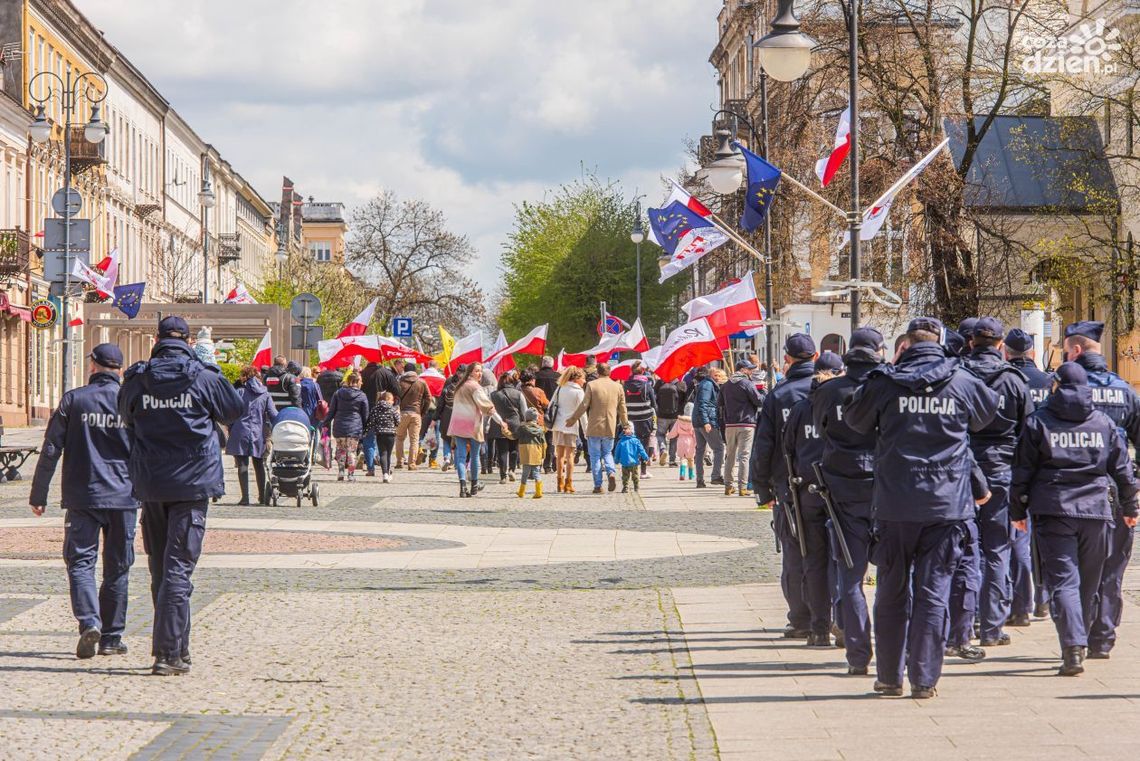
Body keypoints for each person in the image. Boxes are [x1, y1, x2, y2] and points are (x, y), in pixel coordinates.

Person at [844, 317, 999, 699]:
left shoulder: (884, 383)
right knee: (934, 592)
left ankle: (889, 677)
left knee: (891, 591)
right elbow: (986, 416)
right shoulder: (961, 380)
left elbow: (854, 421)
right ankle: (925, 679)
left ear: (906, 345)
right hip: (947, 506)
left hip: (896, 502)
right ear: (940, 342)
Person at [118, 316, 243, 676]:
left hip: (152, 482)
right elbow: (235, 410)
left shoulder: (139, 378)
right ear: (188, 341)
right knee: (178, 568)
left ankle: (176, 648)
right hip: (192, 484)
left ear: (157, 340)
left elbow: (124, 414)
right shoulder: (202, 376)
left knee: (161, 566)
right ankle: (169, 653)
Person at [1010, 362, 1139, 676]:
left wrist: (1017, 511)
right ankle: (1080, 638)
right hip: (1096, 510)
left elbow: (1022, 470)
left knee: (1064, 581)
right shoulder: (1103, 423)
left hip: (1053, 510)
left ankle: (1073, 647)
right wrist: (1131, 507)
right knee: (1088, 582)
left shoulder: (1038, 422)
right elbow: (1122, 469)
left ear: (1057, 387)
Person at [29, 343, 137, 660]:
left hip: (83, 494)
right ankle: (112, 637)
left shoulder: (74, 399)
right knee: (118, 567)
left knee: (81, 563)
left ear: (93, 366)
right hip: (124, 497)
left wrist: (39, 495)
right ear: (119, 368)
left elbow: (51, 449)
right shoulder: (131, 401)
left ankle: (90, 622)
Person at [1062, 320, 1140, 659]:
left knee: (1077, 567)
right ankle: (1103, 637)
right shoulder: (1124, 389)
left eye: (1065, 353)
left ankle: (1077, 634)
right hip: (1118, 489)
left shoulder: (1066, 391)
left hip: (1076, 491)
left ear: (1076, 351)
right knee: (1112, 567)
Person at [814, 327, 887, 672]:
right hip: (884, 485)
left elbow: (822, 431)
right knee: (893, 573)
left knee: (850, 574)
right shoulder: (889, 386)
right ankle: (890, 652)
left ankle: (858, 654)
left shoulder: (829, 390)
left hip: (843, 484)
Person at [960, 317, 1033, 649]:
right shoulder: (1014, 381)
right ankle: (991, 626)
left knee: (962, 548)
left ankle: (963, 623)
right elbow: (1028, 433)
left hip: (962, 469)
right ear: (1001, 345)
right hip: (1002, 469)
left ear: (972, 341)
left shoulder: (957, 375)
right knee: (997, 549)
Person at [751, 333, 818, 638]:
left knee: (794, 552)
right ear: (815, 357)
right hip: (830, 483)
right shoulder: (829, 391)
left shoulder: (779, 395)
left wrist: (762, 488)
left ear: (788, 360)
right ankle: (830, 614)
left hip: (788, 485)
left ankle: (801, 618)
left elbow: (764, 445)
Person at [782, 351, 844, 647]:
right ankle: (845, 624)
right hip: (842, 491)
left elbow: (787, 449)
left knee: (815, 561)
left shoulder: (801, 408)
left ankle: (820, 629)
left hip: (808, 492)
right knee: (845, 560)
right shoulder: (847, 406)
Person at [1004, 327, 1054, 621]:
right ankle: (1043, 597)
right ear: (1032, 352)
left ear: (1006, 351)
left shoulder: (1005, 381)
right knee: (1043, 537)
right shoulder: (1049, 381)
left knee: (1018, 536)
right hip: (1045, 466)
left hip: (1013, 464)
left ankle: (1018, 600)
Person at [447, 362, 508, 497]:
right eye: (477, 371)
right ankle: (474, 485)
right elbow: (487, 407)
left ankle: (463, 487)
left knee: (461, 457)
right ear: (470, 372)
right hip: (472, 425)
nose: (479, 373)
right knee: (474, 456)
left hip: (458, 424)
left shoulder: (459, 387)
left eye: (480, 371)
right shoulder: (475, 387)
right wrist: (500, 421)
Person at [566, 363, 628, 494]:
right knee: (607, 453)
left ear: (597, 372)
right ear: (609, 372)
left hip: (594, 426)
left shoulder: (592, 385)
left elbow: (584, 405)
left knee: (595, 456)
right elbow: (622, 409)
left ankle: (598, 485)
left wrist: (572, 419)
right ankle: (611, 472)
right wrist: (626, 425)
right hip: (610, 426)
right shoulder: (618, 387)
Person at [226, 365, 277, 505]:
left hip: (240, 430)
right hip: (258, 432)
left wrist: (230, 428)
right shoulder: (265, 394)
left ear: (244, 377)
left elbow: (231, 412)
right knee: (259, 464)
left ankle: (245, 498)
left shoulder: (239, 392)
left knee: (242, 464)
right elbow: (273, 415)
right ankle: (262, 497)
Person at [720, 358, 763, 496]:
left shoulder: (726, 385)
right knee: (744, 456)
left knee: (730, 455)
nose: (751, 371)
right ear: (743, 370)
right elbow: (759, 401)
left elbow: (719, 403)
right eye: (749, 369)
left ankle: (728, 486)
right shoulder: (747, 383)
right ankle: (742, 488)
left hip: (730, 424)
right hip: (746, 423)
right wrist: (764, 392)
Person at [325, 372, 369, 482]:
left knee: (341, 450)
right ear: (358, 382)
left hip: (339, 425)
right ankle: (351, 474)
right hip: (355, 426)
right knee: (352, 451)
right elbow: (365, 414)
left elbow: (332, 411)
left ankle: (340, 472)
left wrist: (325, 422)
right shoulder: (362, 395)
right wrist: (365, 427)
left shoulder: (338, 393)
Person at [550, 366, 586, 493]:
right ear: (577, 378)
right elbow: (582, 412)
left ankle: (559, 483)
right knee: (570, 456)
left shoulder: (560, 388)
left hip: (558, 425)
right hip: (571, 426)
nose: (584, 381)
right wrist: (586, 431)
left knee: (559, 456)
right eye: (583, 378)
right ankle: (568, 484)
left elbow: (551, 405)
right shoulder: (579, 392)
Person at [489, 369, 529, 483]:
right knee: (513, 449)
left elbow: (490, 411)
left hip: (499, 424)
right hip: (515, 424)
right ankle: (512, 469)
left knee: (502, 450)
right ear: (512, 382)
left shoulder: (493, 395)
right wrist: (525, 423)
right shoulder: (519, 394)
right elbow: (524, 411)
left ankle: (503, 475)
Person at [690, 366, 724, 488]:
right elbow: (703, 404)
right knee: (719, 448)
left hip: (698, 420)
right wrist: (706, 422)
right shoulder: (708, 385)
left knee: (700, 450)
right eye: (716, 375)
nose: (718, 378)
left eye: (719, 376)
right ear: (711, 375)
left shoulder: (705, 384)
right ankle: (715, 476)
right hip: (705, 420)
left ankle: (700, 480)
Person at [623, 362, 657, 478]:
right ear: (642, 372)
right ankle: (643, 471)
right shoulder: (647, 385)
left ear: (631, 372)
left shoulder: (625, 384)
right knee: (644, 444)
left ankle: (632, 469)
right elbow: (653, 403)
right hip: (645, 418)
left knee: (631, 443)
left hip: (630, 418)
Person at [394, 363, 431, 470]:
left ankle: (400, 461)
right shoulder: (422, 382)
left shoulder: (400, 382)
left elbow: (395, 396)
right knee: (414, 440)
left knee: (400, 438)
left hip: (402, 413)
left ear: (405, 371)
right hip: (416, 413)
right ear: (415, 370)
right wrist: (422, 412)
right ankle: (412, 463)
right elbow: (428, 398)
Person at [365, 390, 401, 481]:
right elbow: (398, 421)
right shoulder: (392, 409)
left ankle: (385, 473)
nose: (393, 402)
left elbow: (371, 422)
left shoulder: (375, 408)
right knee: (388, 454)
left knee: (383, 454)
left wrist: (366, 431)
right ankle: (387, 472)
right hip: (391, 434)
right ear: (388, 399)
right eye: (392, 400)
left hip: (380, 434)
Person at [513, 408, 547, 499]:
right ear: (536, 418)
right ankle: (539, 491)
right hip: (537, 453)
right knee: (536, 472)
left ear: (526, 417)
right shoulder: (540, 430)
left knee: (525, 473)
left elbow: (513, 436)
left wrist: (504, 431)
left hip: (526, 453)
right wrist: (543, 455)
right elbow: (544, 443)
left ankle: (521, 491)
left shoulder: (522, 428)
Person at [535, 356, 561, 473]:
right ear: (552, 364)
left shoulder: (536, 376)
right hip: (553, 410)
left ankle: (536, 464)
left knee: (537, 437)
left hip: (537, 409)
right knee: (550, 438)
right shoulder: (557, 376)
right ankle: (548, 465)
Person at [654, 376, 686, 467]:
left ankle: (663, 448)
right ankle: (672, 461)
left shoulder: (659, 383)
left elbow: (654, 398)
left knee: (660, 434)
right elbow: (685, 400)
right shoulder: (681, 384)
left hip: (661, 415)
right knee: (674, 438)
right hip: (676, 416)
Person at [615, 422, 650, 492]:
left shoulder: (621, 441)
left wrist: (616, 460)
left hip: (625, 463)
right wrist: (646, 457)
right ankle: (635, 487)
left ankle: (626, 487)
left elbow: (617, 452)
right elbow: (641, 450)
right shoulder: (635, 441)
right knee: (634, 476)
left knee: (625, 476)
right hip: (634, 462)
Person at [668, 403, 697, 480]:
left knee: (682, 458)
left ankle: (682, 473)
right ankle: (691, 475)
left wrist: (669, 436)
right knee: (691, 459)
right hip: (690, 441)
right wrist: (697, 442)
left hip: (680, 440)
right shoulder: (693, 421)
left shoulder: (679, 420)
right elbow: (694, 433)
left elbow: (674, 431)